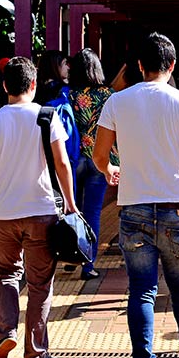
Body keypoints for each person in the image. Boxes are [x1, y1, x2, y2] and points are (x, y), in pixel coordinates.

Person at [94, 33, 179, 358]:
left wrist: (109, 169)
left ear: (139, 67)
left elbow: (100, 155)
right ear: (172, 66)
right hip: (177, 203)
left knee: (141, 290)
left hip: (133, 205)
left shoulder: (117, 102)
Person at [0, 58, 74, 358]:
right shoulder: (47, 116)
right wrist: (70, 202)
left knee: (6, 274)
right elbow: (62, 163)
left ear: (5, 86)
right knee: (40, 283)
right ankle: (36, 353)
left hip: (3, 213)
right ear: (33, 85)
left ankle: (6, 332)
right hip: (41, 210)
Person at [68, 49, 113, 280]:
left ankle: (69, 254)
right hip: (98, 158)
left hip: (72, 160)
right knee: (92, 212)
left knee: (70, 210)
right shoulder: (107, 95)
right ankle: (88, 264)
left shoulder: (67, 94)